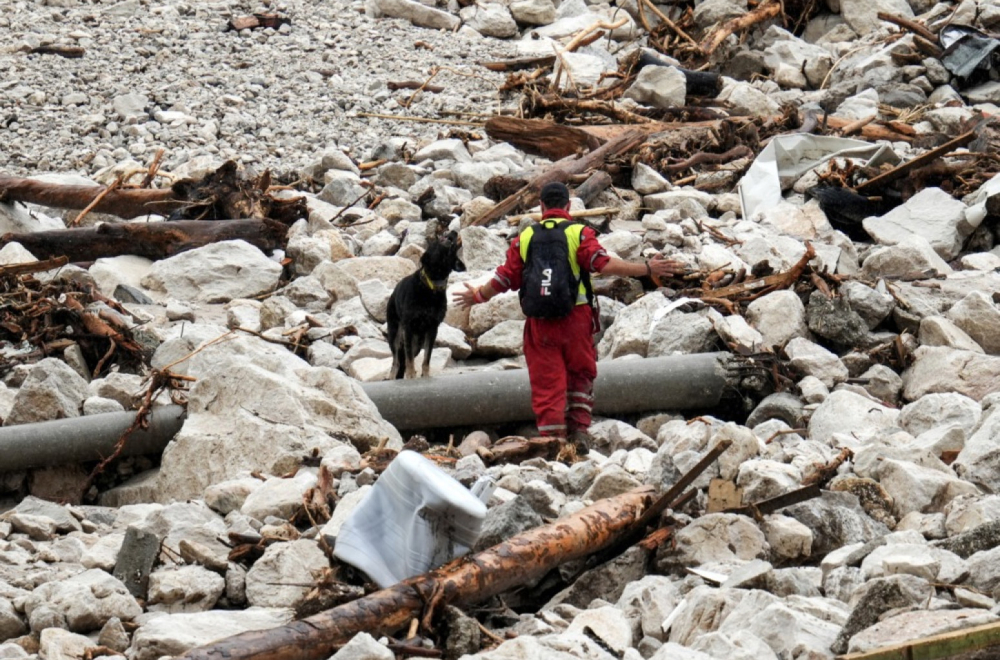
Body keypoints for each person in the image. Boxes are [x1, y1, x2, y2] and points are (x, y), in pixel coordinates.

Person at [453, 181, 685, 452]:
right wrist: (646, 268)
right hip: (577, 320)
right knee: (581, 375)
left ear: (541, 207)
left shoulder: (525, 237)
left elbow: (504, 278)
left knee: (547, 384)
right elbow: (603, 264)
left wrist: (478, 296)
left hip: (540, 324)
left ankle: (554, 444)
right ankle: (579, 434)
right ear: (567, 206)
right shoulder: (579, 233)